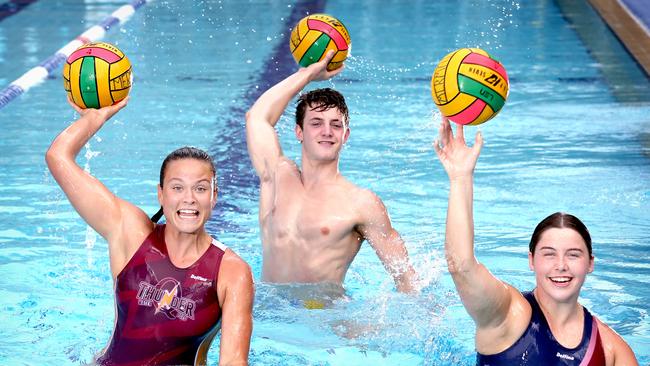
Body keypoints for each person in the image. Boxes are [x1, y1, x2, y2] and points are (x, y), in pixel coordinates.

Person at [46, 97, 254, 365]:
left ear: (214, 196)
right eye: (177, 187)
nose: (189, 198)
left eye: (200, 188)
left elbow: (233, 362)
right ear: (161, 194)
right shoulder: (132, 234)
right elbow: (58, 157)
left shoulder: (231, 271)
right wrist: (94, 118)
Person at [433, 117, 638, 365]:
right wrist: (460, 178)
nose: (560, 265)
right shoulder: (509, 315)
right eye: (549, 254)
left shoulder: (610, 350)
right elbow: (462, 267)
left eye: (573, 254)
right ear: (531, 260)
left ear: (590, 263)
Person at [245, 51, 417, 295]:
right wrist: (306, 75)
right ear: (299, 132)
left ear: (345, 136)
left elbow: (406, 278)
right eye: (316, 123)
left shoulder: (361, 203)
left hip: (322, 321)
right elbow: (257, 117)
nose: (327, 131)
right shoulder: (277, 175)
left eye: (336, 125)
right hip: (268, 314)